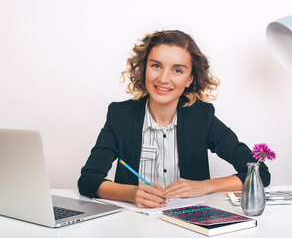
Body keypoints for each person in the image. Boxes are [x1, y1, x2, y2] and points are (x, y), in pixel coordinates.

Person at [78, 30, 270, 208]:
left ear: (189, 79)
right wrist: (131, 193)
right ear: (145, 69)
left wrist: (203, 186)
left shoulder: (202, 117)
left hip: (190, 225)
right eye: (156, 66)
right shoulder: (120, 116)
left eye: (177, 70)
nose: (163, 78)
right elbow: (88, 180)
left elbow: (259, 172)